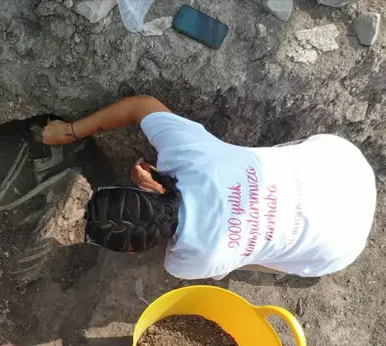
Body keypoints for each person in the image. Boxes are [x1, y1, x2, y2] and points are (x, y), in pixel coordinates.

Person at [41, 95, 377, 279]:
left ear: (133, 250)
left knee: (248, 254)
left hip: (337, 250)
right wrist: (68, 131)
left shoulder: (189, 263)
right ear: (149, 187)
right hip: (342, 165)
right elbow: (140, 105)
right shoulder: (192, 157)